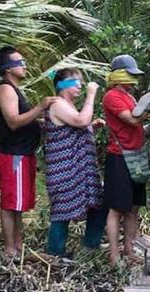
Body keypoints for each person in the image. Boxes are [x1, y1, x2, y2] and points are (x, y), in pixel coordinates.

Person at [0, 46, 54, 257]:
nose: (24, 65)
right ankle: (10, 248)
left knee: (18, 203)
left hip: (23, 153)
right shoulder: (6, 89)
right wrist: (41, 106)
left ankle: (18, 245)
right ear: (8, 68)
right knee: (10, 203)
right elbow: (13, 122)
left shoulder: (13, 89)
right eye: (19, 62)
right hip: (13, 153)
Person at [42, 68, 106, 259]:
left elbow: (73, 129)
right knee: (62, 211)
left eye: (80, 82)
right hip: (65, 169)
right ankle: (55, 253)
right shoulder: (58, 104)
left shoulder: (68, 106)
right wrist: (91, 95)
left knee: (97, 205)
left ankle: (90, 246)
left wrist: (90, 126)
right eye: (74, 82)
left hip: (80, 169)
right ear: (62, 85)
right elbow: (80, 120)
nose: (80, 85)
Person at [102, 54, 149, 266]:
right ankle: (114, 253)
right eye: (130, 75)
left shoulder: (129, 97)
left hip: (136, 155)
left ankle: (129, 249)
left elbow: (136, 124)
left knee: (133, 207)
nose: (134, 80)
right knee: (117, 207)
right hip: (119, 157)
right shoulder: (112, 96)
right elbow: (131, 119)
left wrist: (147, 128)